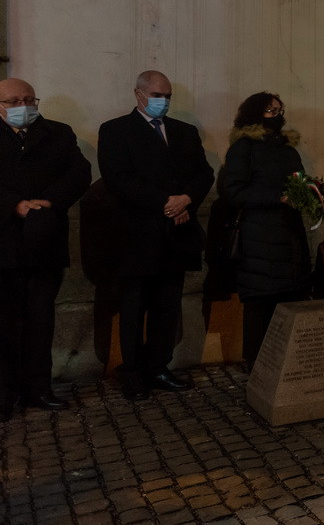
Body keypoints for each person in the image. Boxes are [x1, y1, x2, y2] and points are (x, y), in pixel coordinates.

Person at [97, 70, 215, 400]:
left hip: (176, 233)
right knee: (134, 307)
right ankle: (132, 372)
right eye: (157, 95)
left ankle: (158, 366)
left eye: (168, 96)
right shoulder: (115, 130)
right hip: (137, 234)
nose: (163, 101)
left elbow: (204, 173)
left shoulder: (185, 132)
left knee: (167, 305)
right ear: (139, 94)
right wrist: (166, 203)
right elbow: (118, 178)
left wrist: (186, 199)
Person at [0, 79, 91, 420]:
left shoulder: (58, 133)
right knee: (4, 323)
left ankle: (38, 388)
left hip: (45, 240)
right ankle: (4, 393)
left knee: (41, 319)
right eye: (13, 101)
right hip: (4, 243)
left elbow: (79, 174)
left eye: (29, 99)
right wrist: (15, 204)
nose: (23, 106)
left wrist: (48, 201)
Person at [219, 92, 311, 367]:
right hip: (257, 238)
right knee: (260, 303)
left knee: (288, 300)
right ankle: (257, 363)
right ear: (254, 114)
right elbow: (233, 191)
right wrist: (277, 198)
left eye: (279, 111)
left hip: (288, 235)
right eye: (270, 111)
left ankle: (285, 363)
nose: (277, 116)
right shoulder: (244, 148)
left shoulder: (288, 150)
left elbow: (300, 182)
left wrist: (312, 195)